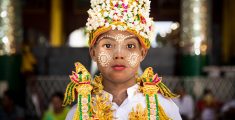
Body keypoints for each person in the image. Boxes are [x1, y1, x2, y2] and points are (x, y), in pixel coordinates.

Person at [64, 0, 182, 119]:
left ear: (142, 53)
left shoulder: (165, 109)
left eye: (130, 46)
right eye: (108, 45)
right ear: (93, 52)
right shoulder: (77, 114)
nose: (119, 55)